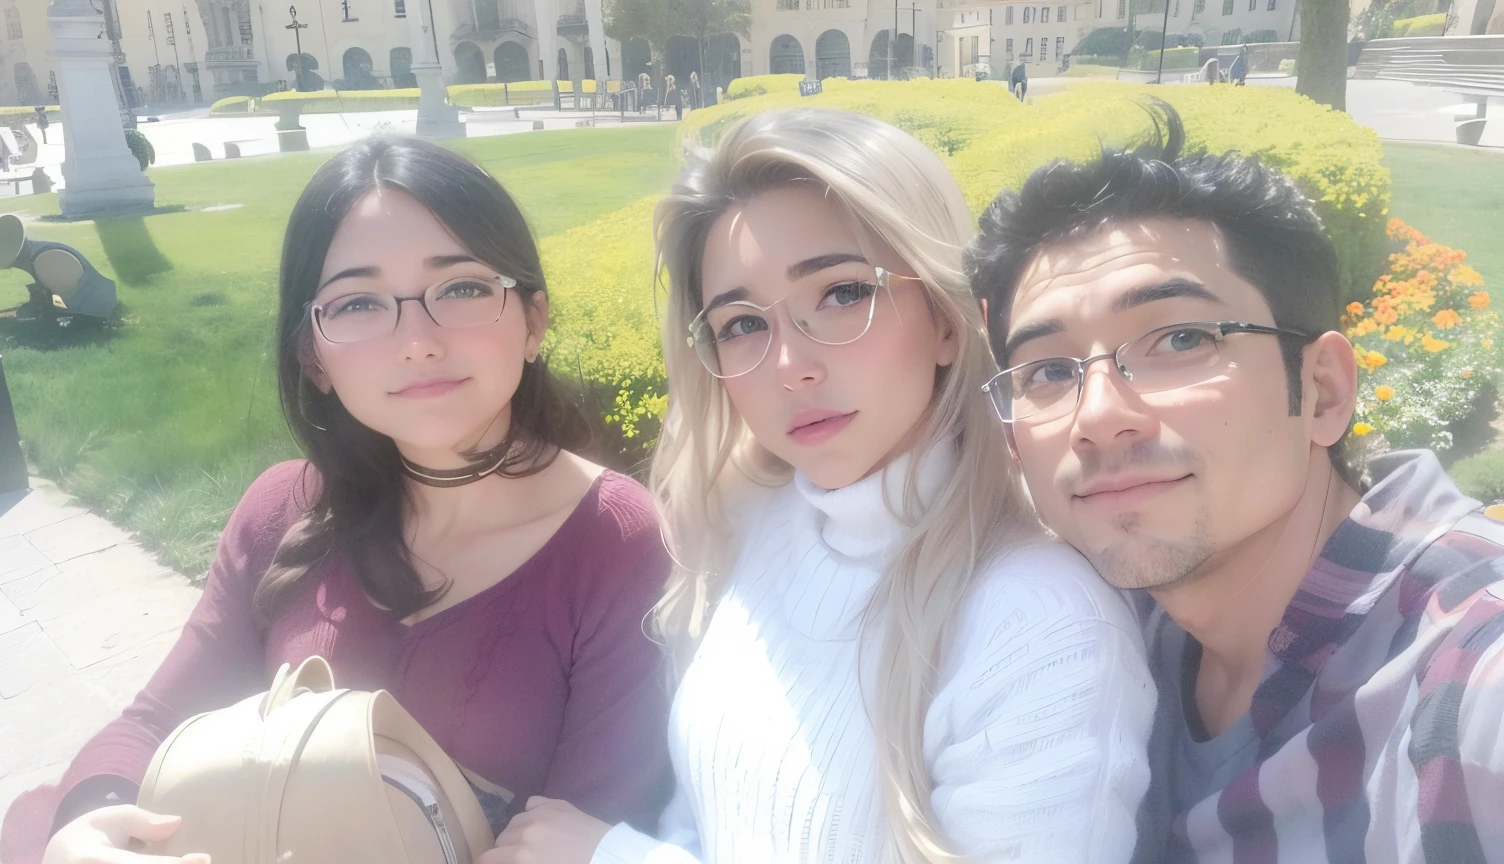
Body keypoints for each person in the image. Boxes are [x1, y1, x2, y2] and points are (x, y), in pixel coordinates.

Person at [477, 107, 1155, 864]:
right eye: (741, 325)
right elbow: (708, 811)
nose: (789, 365)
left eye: (841, 294)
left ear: (946, 320)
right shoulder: (754, 519)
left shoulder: (1044, 629)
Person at [2, 136, 674, 864]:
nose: (416, 340)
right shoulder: (284, 513)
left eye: (463, 288)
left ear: (533, 321)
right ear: (313, 356)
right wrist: (87, 822)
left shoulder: (616, 542)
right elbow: (152, 722)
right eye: (358, 302)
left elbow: (592, 826)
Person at [967, 99, 1504, 864]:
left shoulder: (1462, 677)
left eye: (1181, 338)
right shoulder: (1110, 632)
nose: (1098, 416)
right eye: (1050, 370)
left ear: (1321, 390)